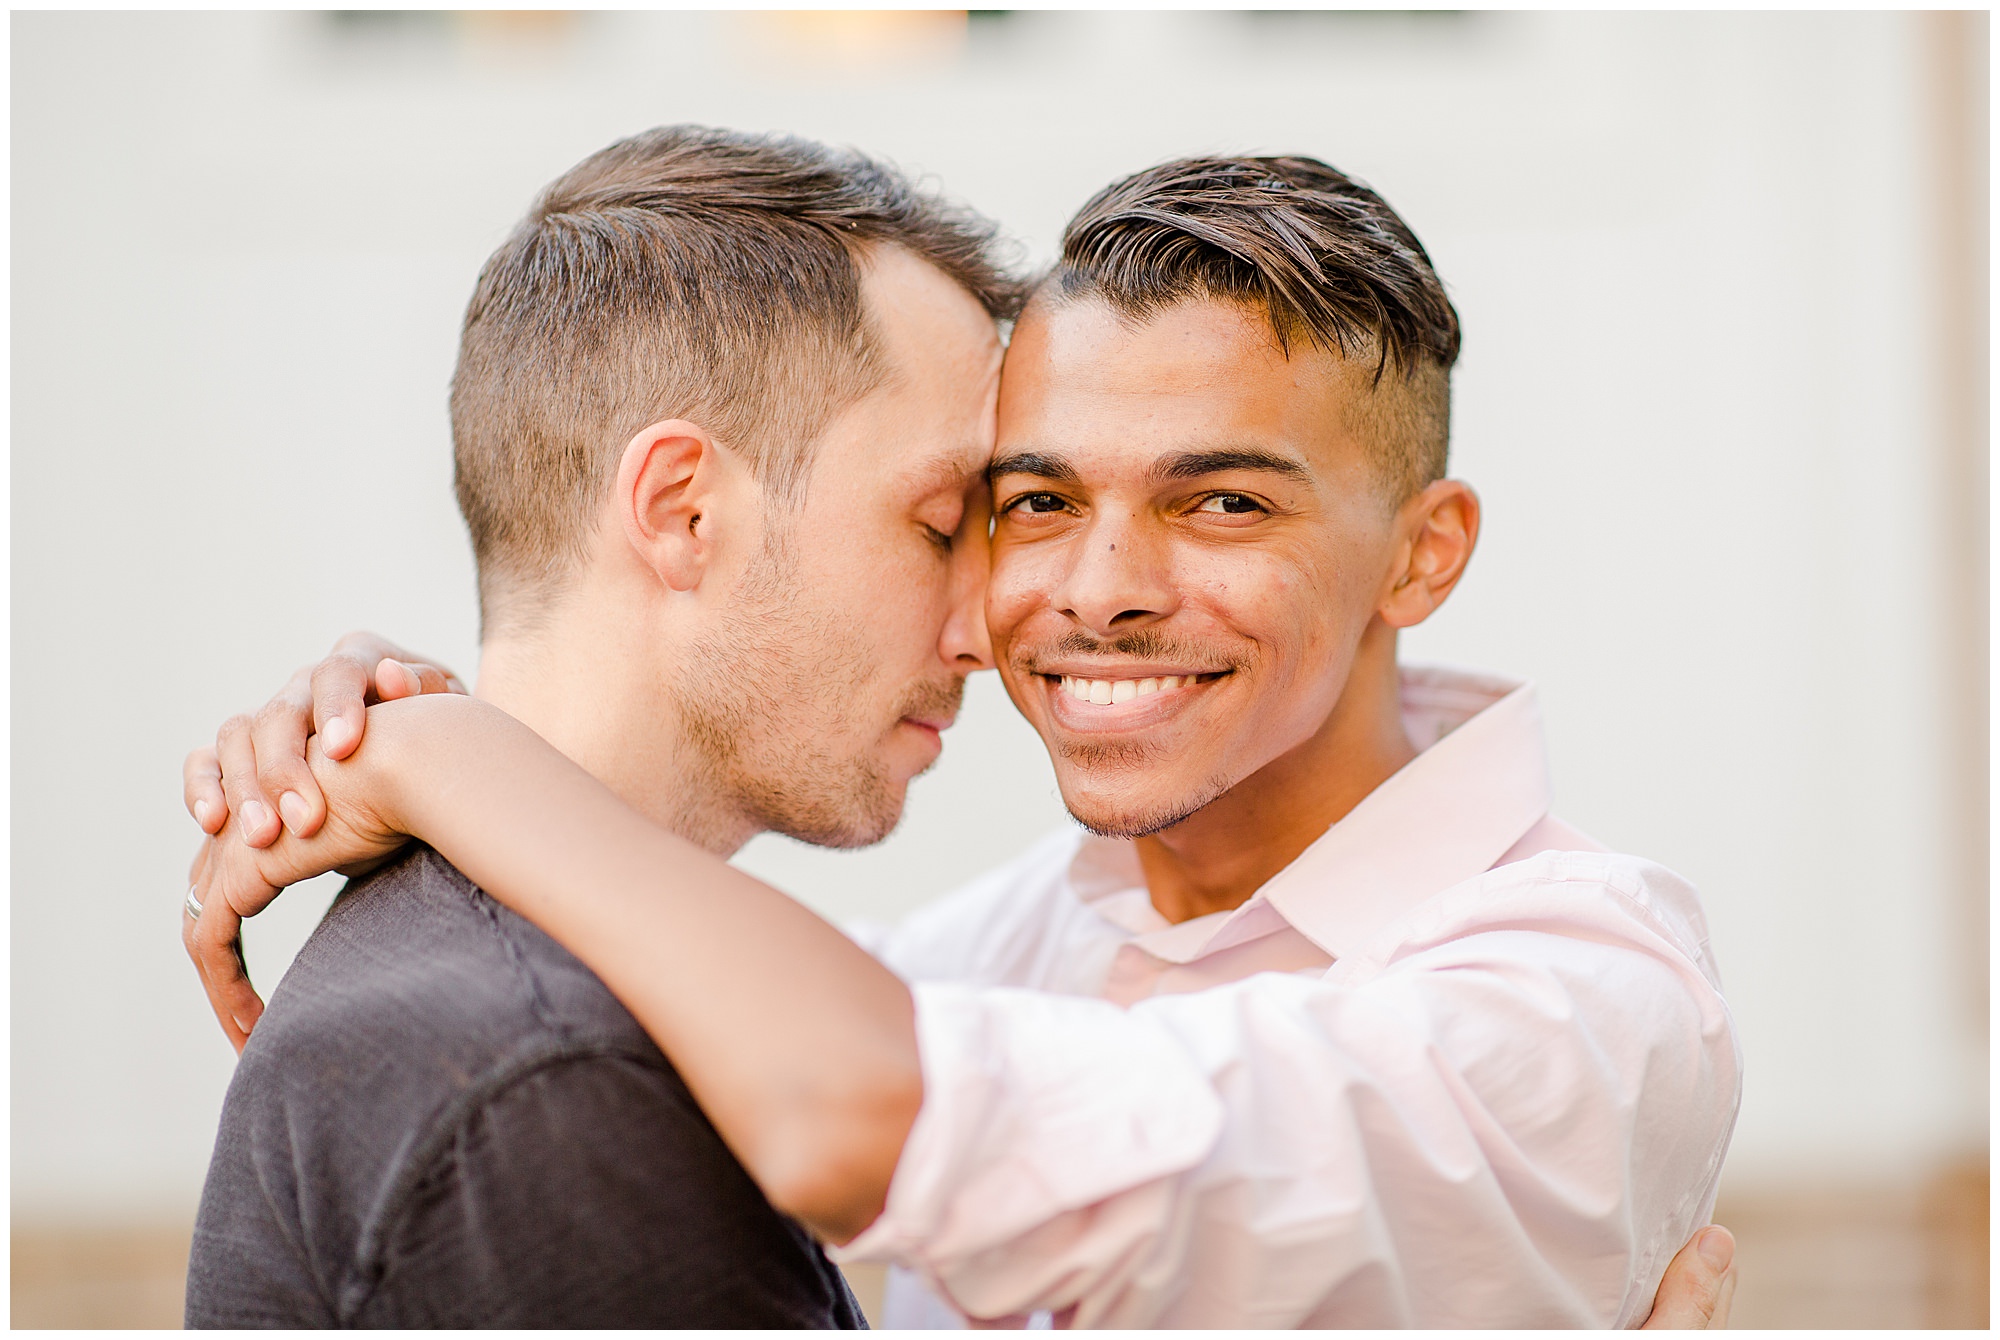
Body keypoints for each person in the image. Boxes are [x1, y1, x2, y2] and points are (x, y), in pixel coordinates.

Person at [183, 140, 1742, 1327]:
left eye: (1221, 500)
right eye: (1023, 506)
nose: (1094, 593)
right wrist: (409, 728)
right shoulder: (994, 952)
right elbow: (758, 998)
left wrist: (451, 756)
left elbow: (860, 1103)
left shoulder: (1582, 990)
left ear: (1422, 551)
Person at [176, 125, 1018, 1327]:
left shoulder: (482, 984)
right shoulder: (551, 1080)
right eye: (938, 524)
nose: (982, 628)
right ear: (681, 510)